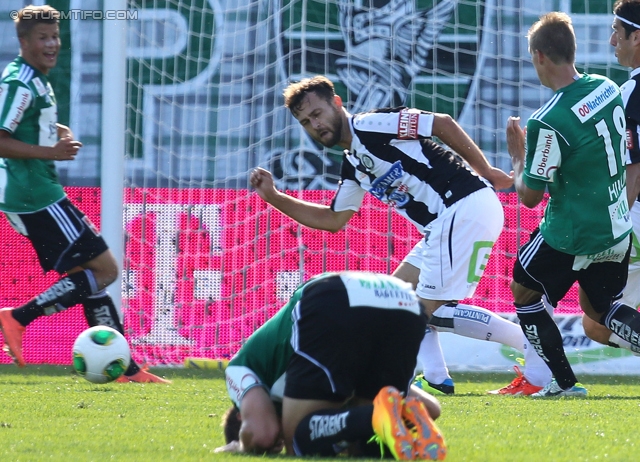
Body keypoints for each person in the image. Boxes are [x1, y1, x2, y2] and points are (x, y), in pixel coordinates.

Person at [250, 75, 552, 396]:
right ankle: (436, 377)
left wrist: (486, 170)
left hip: (463, 207)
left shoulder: (371, 125)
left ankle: (539, 348)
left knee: (416, 313)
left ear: (337, 103)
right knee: (396, 298)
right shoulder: (353, 162)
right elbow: (333, 219)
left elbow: (441, 124)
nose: (315, 124)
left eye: (318, 113)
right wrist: (274, 197)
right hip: (447, 222)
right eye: (306, 121)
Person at [0, 5, 169, 383]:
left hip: (34, 193)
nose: (52, 44)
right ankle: (17, 317)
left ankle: (125, 370)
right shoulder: (18, 82)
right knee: (106, 270)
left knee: (87, 277)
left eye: (55, 36)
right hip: (35, 195)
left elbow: (26, 120)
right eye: (42, 38)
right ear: (23, 42)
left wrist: (54, 130)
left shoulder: (35, 79)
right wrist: (51, 152)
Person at [506, 11, 640, 397]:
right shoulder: (606, 87)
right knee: (601, 310)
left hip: (572, 234)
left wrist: (518, 156)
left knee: (524, 290)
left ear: (539, 56)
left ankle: (565, 384)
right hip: (616, 228)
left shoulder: (548, 120)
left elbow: (530, 198)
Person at [217, 271, 446, 459]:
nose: (276, 443)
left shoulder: (241, 370)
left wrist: (240, 447)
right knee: (365, 446)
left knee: (298, 441)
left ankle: (371, 417)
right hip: (403, 301)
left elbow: (261, 436)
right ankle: (377, 425)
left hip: (332, 297)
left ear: (240, 417)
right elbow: (430, 408)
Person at [581, 0, 640, 356]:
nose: (611, 41)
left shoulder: (632, 93)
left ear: (637, 37)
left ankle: (545, 376)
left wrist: (616, 225)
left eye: (617, 33)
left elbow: (634, 170)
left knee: (595, 315)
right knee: (596, 322)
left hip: (634, 217)